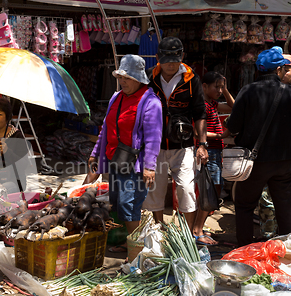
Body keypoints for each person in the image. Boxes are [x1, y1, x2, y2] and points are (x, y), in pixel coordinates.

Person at [88, 55, 163, 252]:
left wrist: (149, 167)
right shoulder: (116, 97)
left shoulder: (151, 102)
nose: (123, 81)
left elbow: (153, 138)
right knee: (117, 203)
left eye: (127, 78)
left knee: (129, 206)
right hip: (115, 160)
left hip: (135, 164)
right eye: (121, 77)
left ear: (139, 78)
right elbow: (106, 128)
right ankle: (127, 242)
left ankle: (137, 253)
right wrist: (95, 154)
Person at [142, 37, 209, 230]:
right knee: (155, 189)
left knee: (187, 189)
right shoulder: (149, 77)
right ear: (157, 58)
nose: (171, 63)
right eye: (166, 58)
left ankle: (187, 233)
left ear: (182, 57)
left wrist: (202, 144)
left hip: (184, 146)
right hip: (155, 146)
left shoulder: (192, 79)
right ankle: (158, 229)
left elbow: (199, 112)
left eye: (175, 58)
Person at [226, 48, 291, 246]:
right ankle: (285, 248)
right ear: (279, 69)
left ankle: (245, 247)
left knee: (245, 205)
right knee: (284, 206)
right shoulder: (289, 92)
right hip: (285, 162)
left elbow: (233, 127)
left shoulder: (248, 91)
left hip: (254, 162)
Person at [192, 71, 234, 246]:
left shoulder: (213, 104)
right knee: (209, 191)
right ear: (204, 87)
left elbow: (234, 107)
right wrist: (219, 135)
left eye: (221, 86)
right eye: (216, 87)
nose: (219, 90)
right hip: (207, 152)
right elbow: (196, 132)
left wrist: (224, 89)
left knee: (213, 191)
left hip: (215, 152)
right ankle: (197, 230)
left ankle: (198, 226)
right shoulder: (202, 105)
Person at [0, 97, 30, 194]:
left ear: (7, 117)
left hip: (12, 181)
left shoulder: (17, 136)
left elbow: (24, 164)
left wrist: (8, 152)